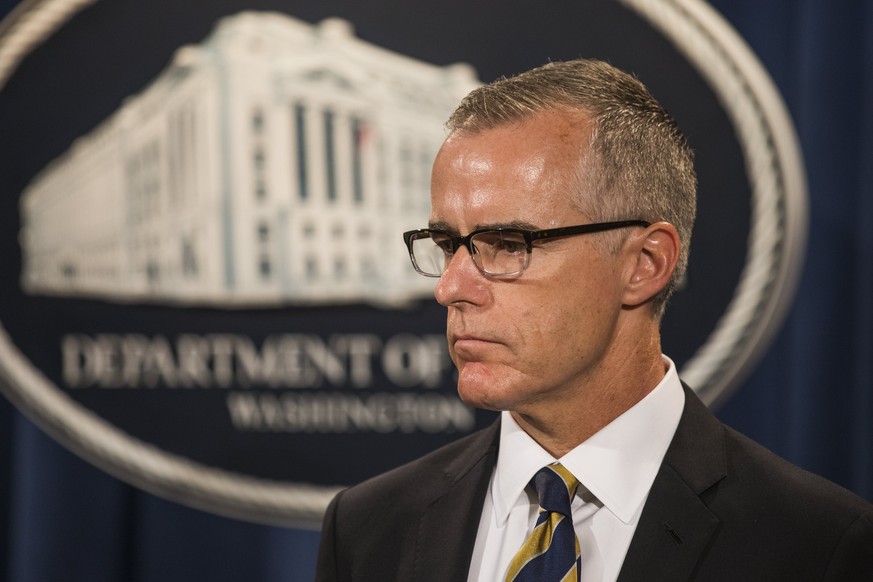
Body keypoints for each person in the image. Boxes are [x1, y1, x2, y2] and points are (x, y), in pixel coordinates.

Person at [315, 59, 873, 581]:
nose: (450, 288)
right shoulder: (367, 529)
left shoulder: (817, 546)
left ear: (644, 264)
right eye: (445, 244)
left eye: (508, 244)